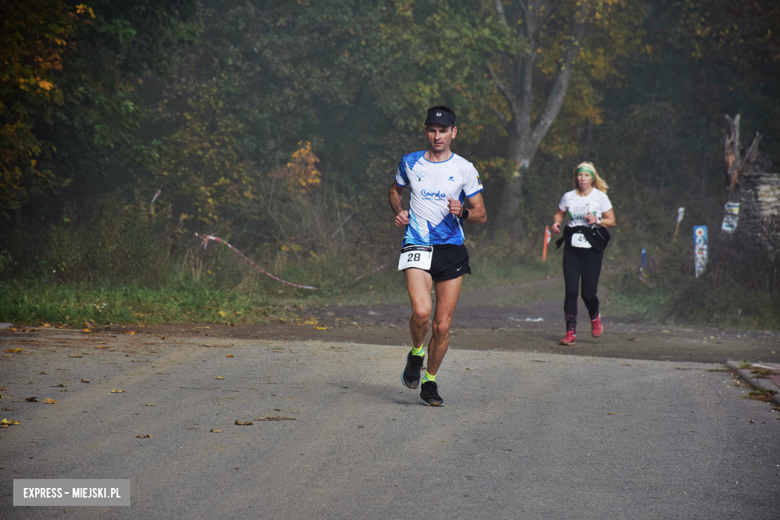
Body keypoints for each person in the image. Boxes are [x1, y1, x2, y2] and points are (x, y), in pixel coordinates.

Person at [388, 105, 487, 406]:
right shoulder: (410, 162)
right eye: (432, 130)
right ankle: (417, 352)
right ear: (426, 131)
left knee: (442, 326)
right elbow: (394, 191)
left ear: (453, 132)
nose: (437, 136)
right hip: (417, 243)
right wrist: (399, 211)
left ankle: (429, 381)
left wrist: (465, 212)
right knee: (421, 312)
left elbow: (482, 214)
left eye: (443, 130)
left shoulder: (464, 168)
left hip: (451, 250)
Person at [551, 161, 615, 346]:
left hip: (592, 250)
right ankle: (570, 332)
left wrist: (598, 219)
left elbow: (612, 221)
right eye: (580, 175)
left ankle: (594, 315)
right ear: (576, 178)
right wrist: (556, 223)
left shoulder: (600, 197)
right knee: (571, 291)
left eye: (586, 175)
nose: (583, 178)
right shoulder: (568, 196)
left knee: (588, 293)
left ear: (592, 178)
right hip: (572, 249)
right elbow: (559, 214)